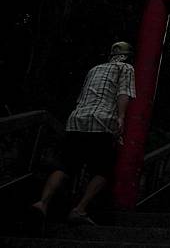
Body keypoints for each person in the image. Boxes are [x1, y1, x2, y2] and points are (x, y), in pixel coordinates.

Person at [29, 41, 136, 227]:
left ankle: (42, 203)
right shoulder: (126, 68)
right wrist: (121, 118)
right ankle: (80, 209)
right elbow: (123, 93)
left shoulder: (94, 69)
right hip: (102, 121)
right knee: (104, 170)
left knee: (65, 166)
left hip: (77, 119)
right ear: (128, 55)